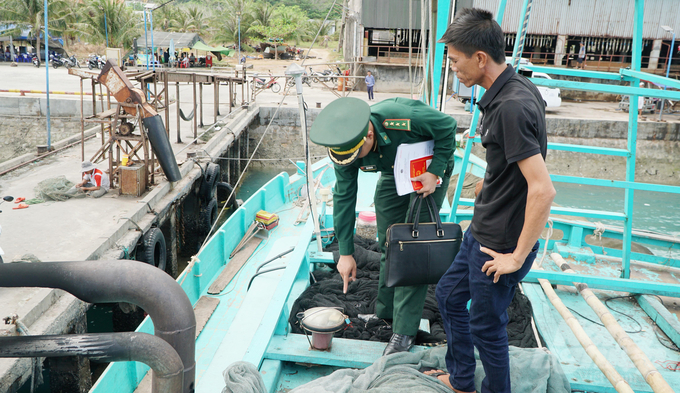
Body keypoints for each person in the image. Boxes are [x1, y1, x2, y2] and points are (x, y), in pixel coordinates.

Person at [433, 8, 555, 393]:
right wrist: (488, 188)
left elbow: (543, 189)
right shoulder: (510, 89)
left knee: (486, 326)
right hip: (483, 228)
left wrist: (517, 257)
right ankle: (462, 378)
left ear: (480, 58)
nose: (452, 68)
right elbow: (511, 163)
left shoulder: (511, 106)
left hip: (499, 245)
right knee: (448, 296)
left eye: (454, 60)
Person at [310, 97, 456, 356]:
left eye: (357, 156)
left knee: (413, 250)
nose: (353, 162)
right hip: (394, 171)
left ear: (369, 134)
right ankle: (387, 313)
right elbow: (344, 196)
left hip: (428, 167)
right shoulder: (345, 149)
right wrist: (345, 252)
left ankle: (404, 331)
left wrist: (435, 171)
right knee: (391, 241)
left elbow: (447, 126)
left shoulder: (401, 118)